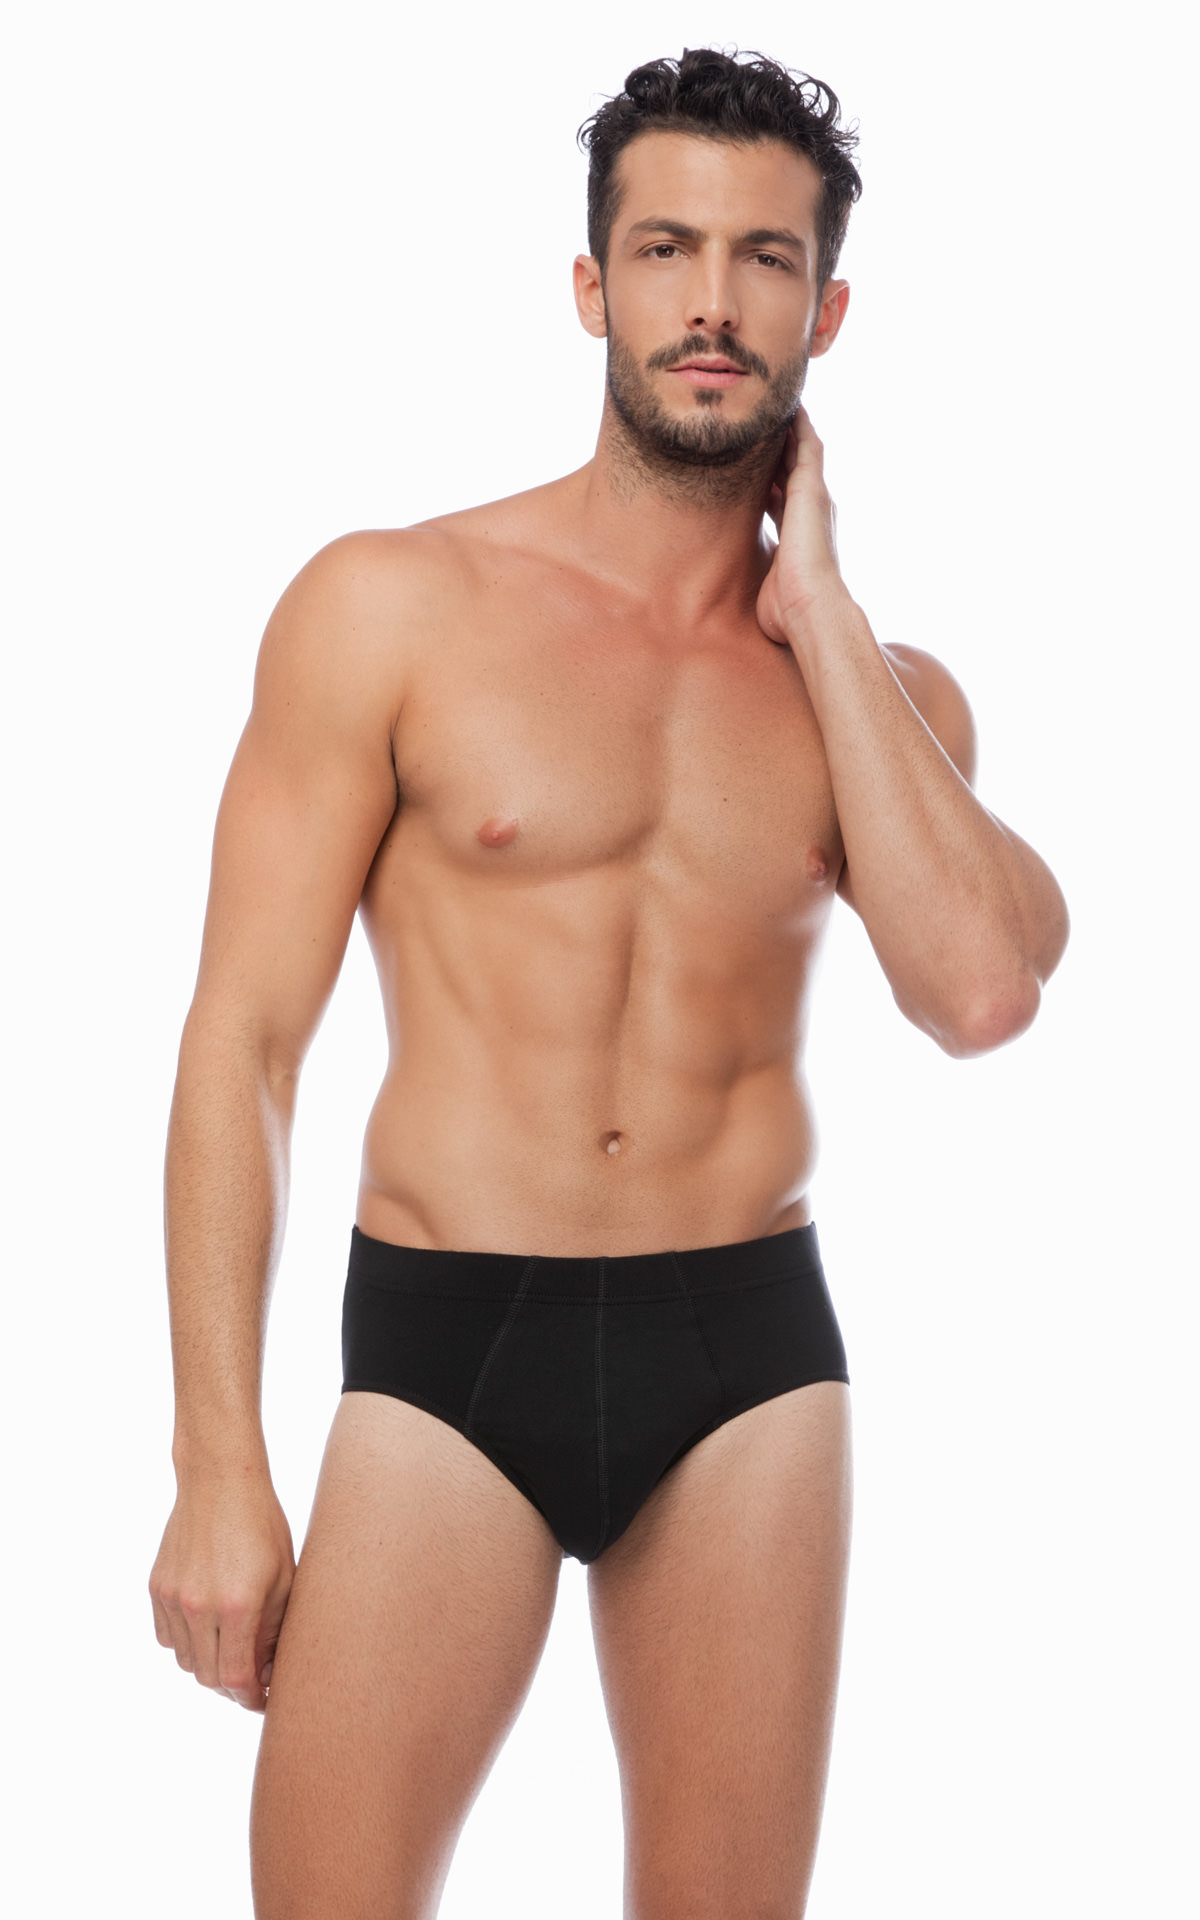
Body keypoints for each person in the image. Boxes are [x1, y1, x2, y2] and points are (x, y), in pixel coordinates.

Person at [149, 46, 1069, 1920]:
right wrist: (218, 1462)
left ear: (826, 311)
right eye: (666, 249)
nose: (711, 302)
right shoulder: (392, 606)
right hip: (447, 1347)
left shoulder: (881, 699)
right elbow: (243, 1044)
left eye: (762, 258)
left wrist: (819, 607)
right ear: (592, 286)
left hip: (746, 1360)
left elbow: (981, 991)